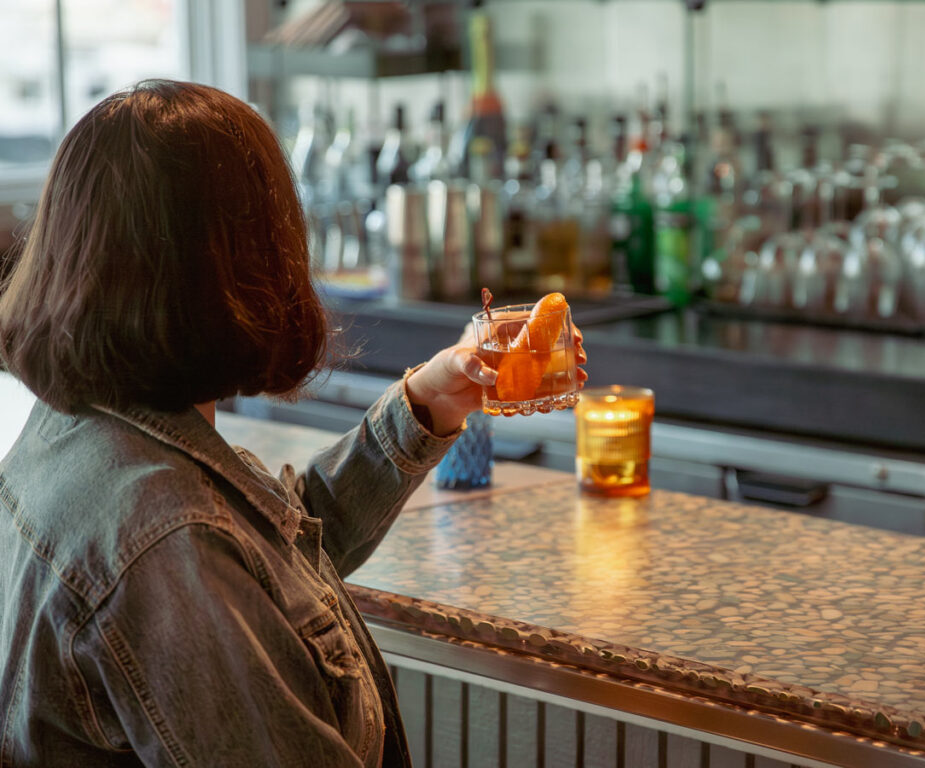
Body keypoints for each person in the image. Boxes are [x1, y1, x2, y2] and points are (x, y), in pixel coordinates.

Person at [0, 79, 586, 768]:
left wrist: (427, 406)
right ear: (242, 266)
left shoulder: (78, 433)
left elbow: (270, 557)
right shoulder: (168, 542)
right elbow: (209, 563)